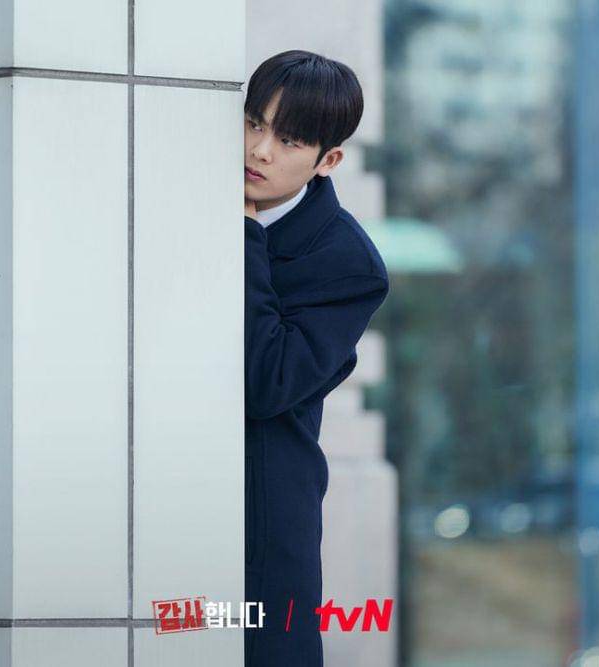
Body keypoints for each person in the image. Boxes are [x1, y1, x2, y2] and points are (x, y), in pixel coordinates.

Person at [243, 49, 390, 666]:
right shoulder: (189, 202)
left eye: (288, 139)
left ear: (328, 160)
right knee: (166, 637)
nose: (260, 151)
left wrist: (245, 236)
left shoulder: (348, 264)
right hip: (162, 494)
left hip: (263, 517)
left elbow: (267, 380)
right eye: (253, 123)